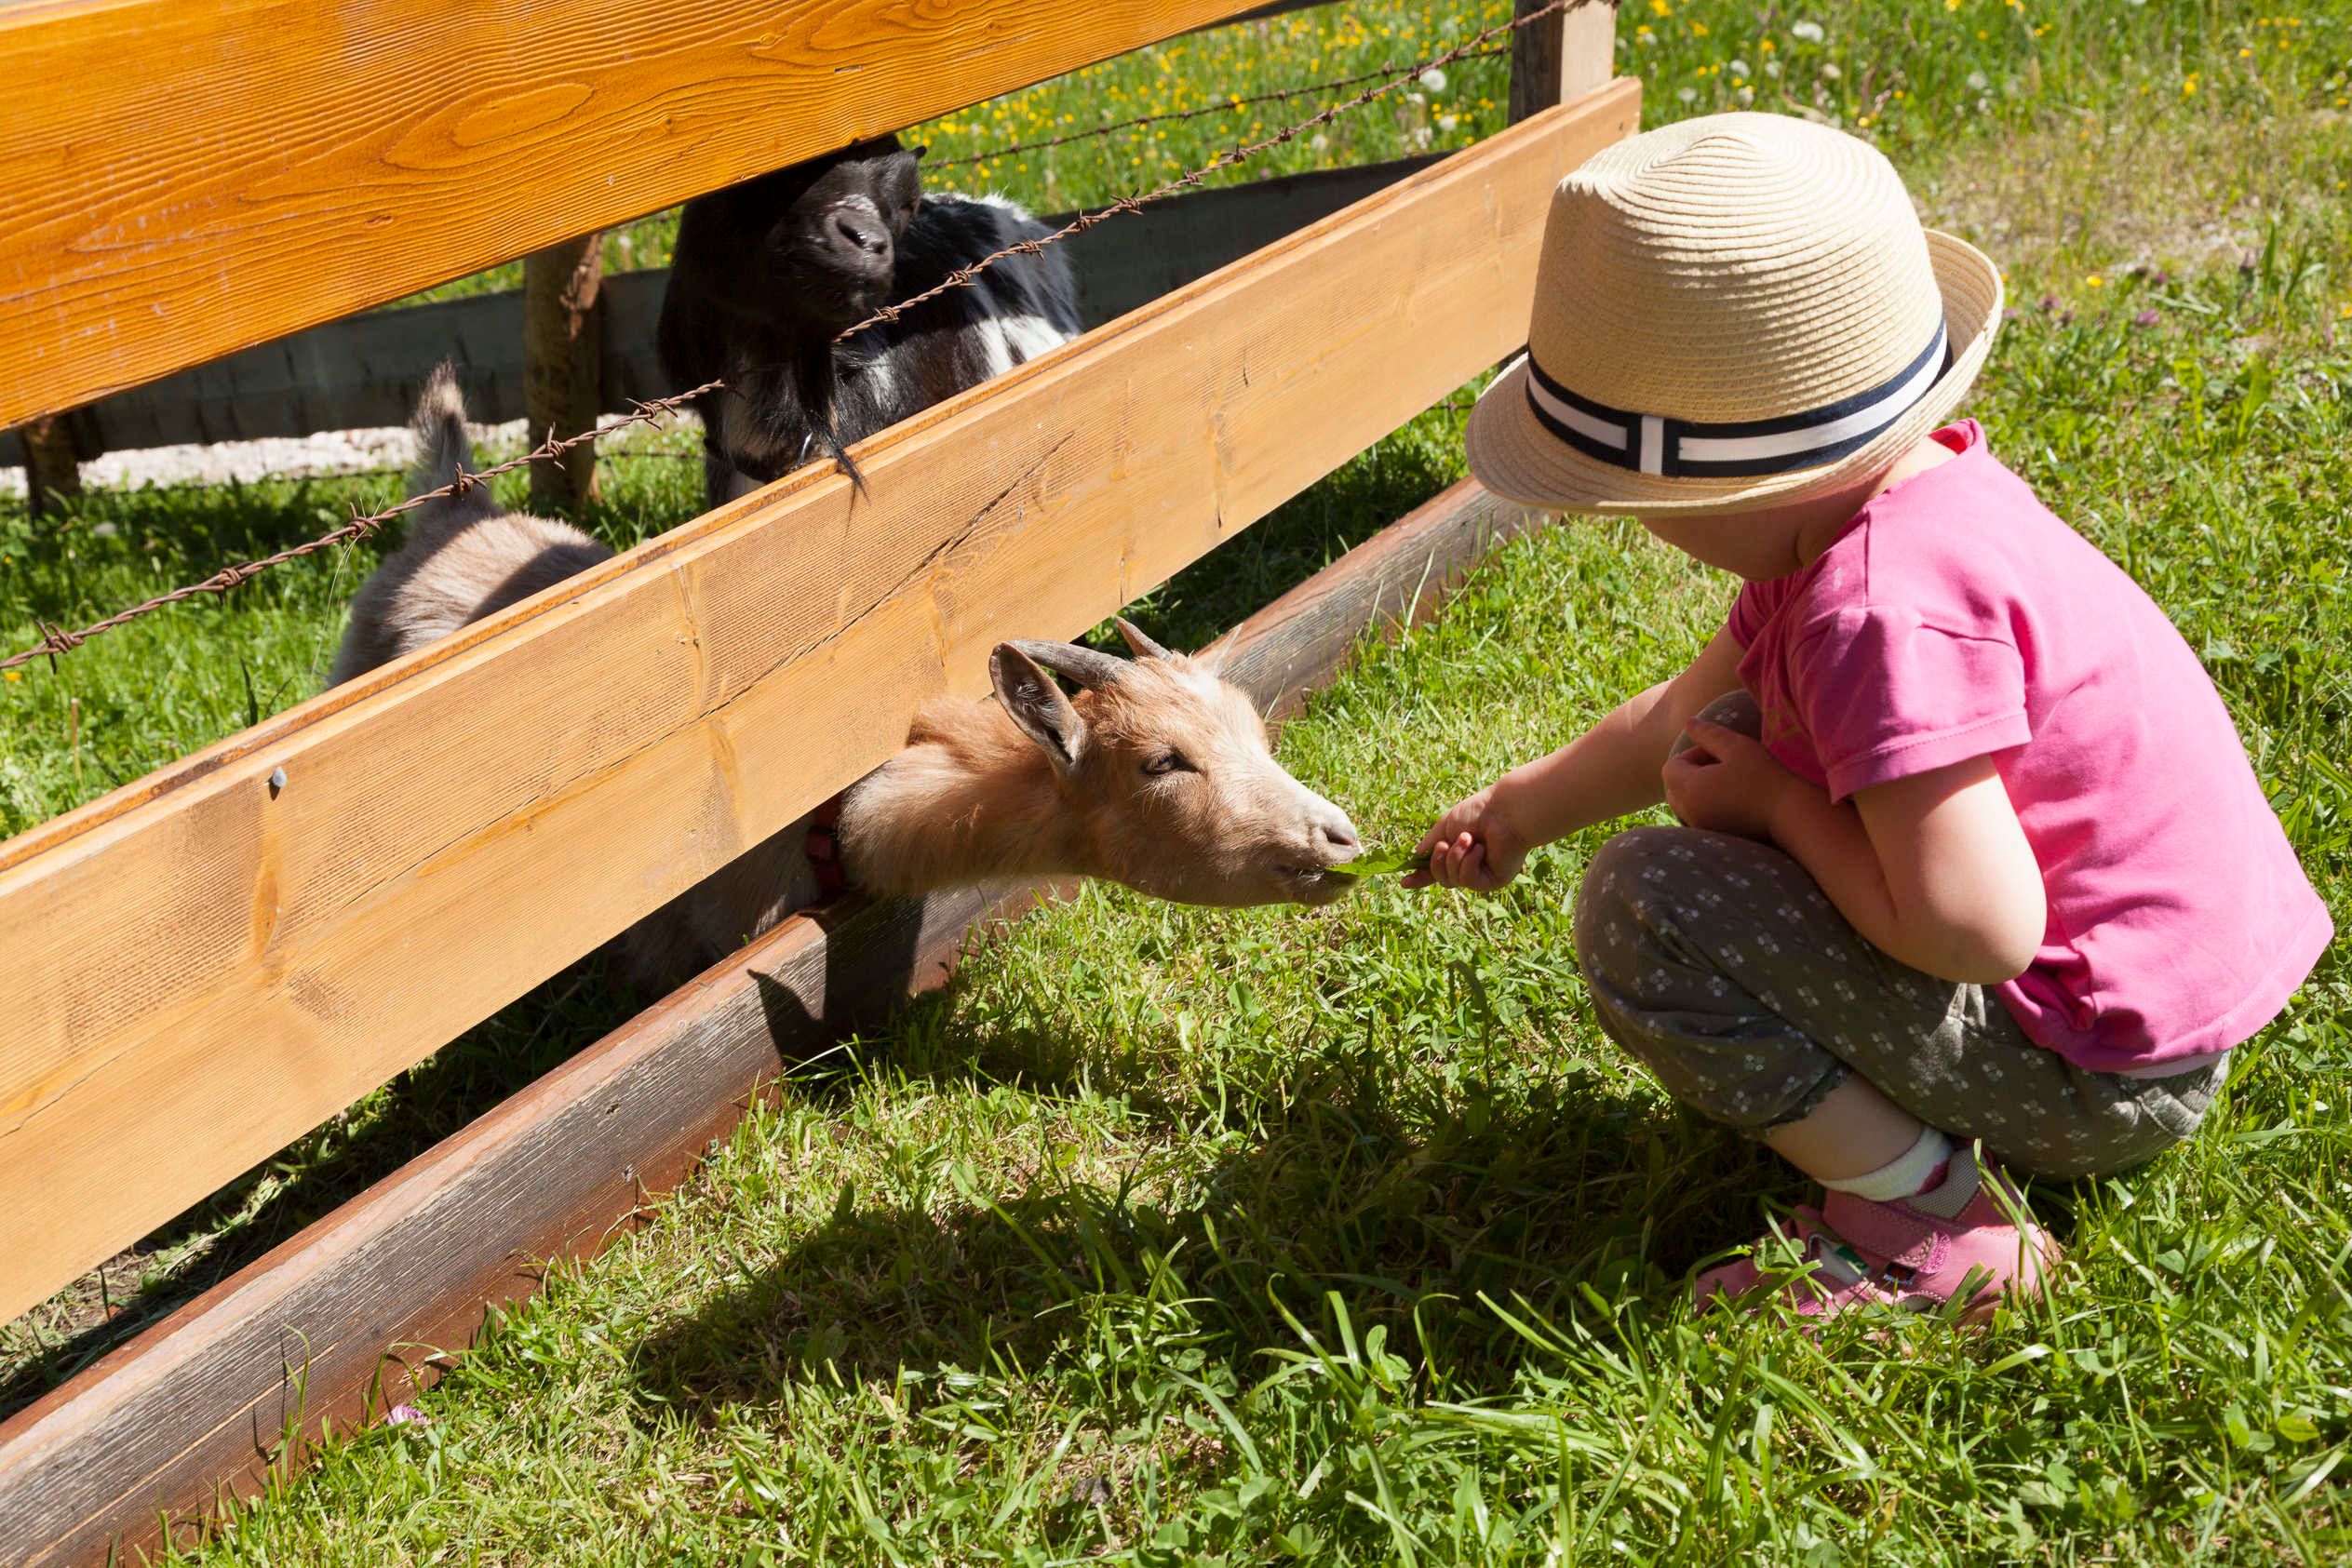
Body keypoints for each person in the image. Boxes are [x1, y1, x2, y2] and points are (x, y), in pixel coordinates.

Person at [1409, 112, 2331, 1323]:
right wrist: (1519, 809)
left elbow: (1976, 930)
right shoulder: (1899, 507)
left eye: (1630, 500)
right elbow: (1680, 717)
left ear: (1715, 486)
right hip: (2156, 1008)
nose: (1636, 526)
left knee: (1647, 905)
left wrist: (1778, 806)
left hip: (2103, 1077)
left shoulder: (1874, 614)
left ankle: (1933, 1222)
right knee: (1737, 726)